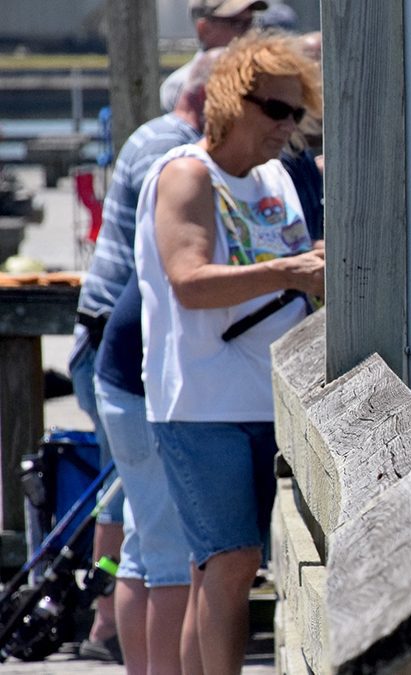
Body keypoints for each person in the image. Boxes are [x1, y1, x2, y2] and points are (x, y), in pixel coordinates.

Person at [134, 32, 324, 674]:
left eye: (296, 113)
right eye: (276, 110)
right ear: (231, 100)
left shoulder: (276, 177)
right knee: (235, 561)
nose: (288, 127)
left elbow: (307, 262)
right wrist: (291, 271)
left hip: (273, 396)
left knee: (215, 564)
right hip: (201, 404)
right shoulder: (187, 176)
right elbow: (188, 283)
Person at [91, 48, 223, 674]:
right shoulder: (180, 161)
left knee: (146, 541)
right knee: (170, 552)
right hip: (135, 368)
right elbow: (190, 279)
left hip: (127, 360)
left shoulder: (188, 152)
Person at [160, 0, 266, 113]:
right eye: (238, 24)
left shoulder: (263, 78)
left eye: (251, 23)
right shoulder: (182, 85)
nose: (250, 33)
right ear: (204, 29)